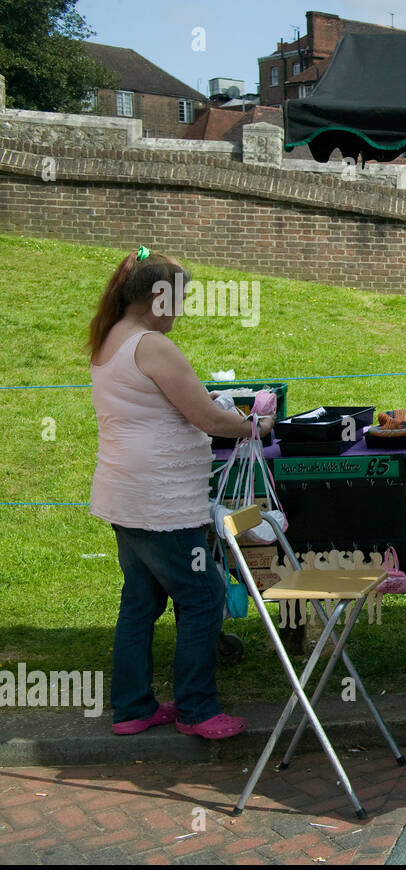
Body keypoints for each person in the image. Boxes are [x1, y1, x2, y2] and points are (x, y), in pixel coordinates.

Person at [88, 246, 273, 740]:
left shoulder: (110, 338)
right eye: (181, 298)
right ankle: (196, 709)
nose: (185, 308)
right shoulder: (151, 345)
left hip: (125, 494)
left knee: (140, 601)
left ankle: (131, 707)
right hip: (159, 502)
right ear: (158, 298)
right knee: (203, 597)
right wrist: (256, 423)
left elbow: (162, 405)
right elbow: (209, 419)